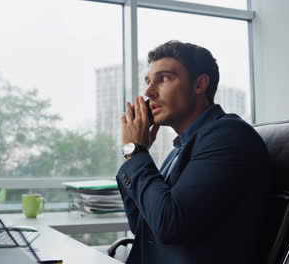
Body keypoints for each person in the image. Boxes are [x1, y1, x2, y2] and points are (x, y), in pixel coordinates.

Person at [116, 40, 274, 263]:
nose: (149, 92)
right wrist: (133, 153)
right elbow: (143, 225)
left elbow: (168, 225)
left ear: (199, 85)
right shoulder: (183, 147)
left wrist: (136, 153)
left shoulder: (228, 136)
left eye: (164, 78)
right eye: (149, 81)